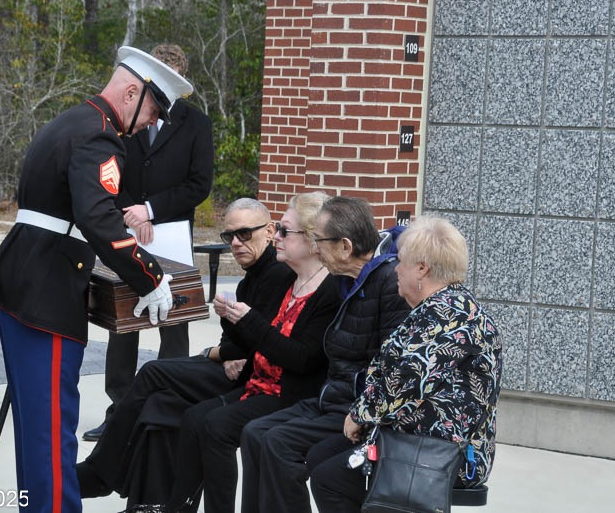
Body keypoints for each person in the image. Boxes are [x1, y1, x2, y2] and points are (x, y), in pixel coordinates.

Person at [0, 46, 193, 513]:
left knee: (36, 427)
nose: (151, 122)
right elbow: (98, 218)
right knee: (52, 429)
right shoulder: (100, 135)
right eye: (152, 110)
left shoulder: (73, 120)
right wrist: (151, 277)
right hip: (47, 294)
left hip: (26, 282)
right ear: (132, 92)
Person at [75, 198, 291, 508]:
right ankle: (150, 504)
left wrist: (215, 352)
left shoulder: (276, 275)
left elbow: (252, 345)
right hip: (233, 367)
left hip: (252, 380)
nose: (235, 243)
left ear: (269, 231)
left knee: (153, 372)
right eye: (229, 235)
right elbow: (237, 340)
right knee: (161, 405)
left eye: (244, 233)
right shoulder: (252, 278)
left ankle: (101, 472)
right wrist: (227, 349)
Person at [308, 215, 503, 512]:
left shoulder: (447, 315)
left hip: (444, 454)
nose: (396, 269)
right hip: (413, 439)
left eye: (401, 261)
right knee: (320, 456)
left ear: (422, 269)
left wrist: (360, 415)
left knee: (330, 478)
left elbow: (405, 382)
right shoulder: (441, 307)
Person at [162, 192, 340, 513]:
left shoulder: (329, 289)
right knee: (194, 418)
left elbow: (302, 359)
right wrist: (231, 320)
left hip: (290, 394)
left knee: (218, 427)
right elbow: (253, 342)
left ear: (313, 241)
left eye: (284, 231)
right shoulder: (290, 281)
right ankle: (177, 507)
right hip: (259, 385)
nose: (277, 237)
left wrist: (247, 321)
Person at [239, 196, 412, 513]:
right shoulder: (344, 279)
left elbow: (390, 366)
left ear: (345, 247)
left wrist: (360, 412)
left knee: (278, 443)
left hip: (353, 408)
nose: (316, 250)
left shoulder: (387, 283)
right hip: (330, 398)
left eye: (319, 241)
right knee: (254, 432)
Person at [83, 44, 215, 442]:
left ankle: (166, 411)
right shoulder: (125, 118)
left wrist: (151, 210)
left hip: (171, 235)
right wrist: (130, 212)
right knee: (124, 322)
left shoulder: (196, 123)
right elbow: (110, 171)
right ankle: (119, 413)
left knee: (173, 325)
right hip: (125, 230)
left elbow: (199, 184)